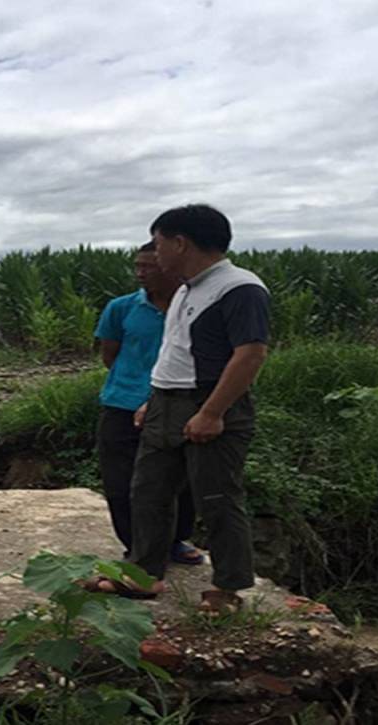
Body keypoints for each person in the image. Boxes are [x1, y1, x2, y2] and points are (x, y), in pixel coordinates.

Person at [126, 204, 269, 612]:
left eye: (158, 244)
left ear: (180, 242)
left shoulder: (239, 288)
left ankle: (228, 589)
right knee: (148, 491)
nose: (156, 254)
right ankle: (144, 575)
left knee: (218, 498)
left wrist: (212, 412)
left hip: (209, 402)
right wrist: (153, 400)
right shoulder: (188, 288)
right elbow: (178, 352)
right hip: (166, 402)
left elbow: (251, 354)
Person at [94, 242, 203, 567]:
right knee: (120, 482)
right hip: (122, 404)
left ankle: (175, 541)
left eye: (149, 266)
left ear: (171, 266)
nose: (140, 273)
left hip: (176, 404)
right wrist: (134, 386)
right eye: (137, 266)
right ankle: (136, 547)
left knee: (178, 481)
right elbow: (109, 354)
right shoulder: (122, 308)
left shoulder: (194, 308)